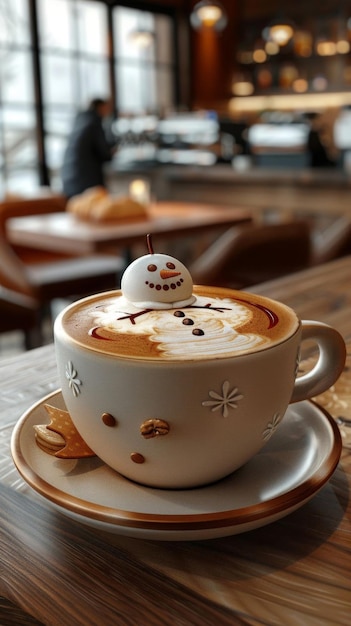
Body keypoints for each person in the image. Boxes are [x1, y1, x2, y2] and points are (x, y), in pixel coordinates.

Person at [61, 98, 116, 198]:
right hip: (86, 182)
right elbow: (104, 153)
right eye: (107, 108)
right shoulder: (94, 123)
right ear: (101, 107)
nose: (109, 112)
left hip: (70, 181)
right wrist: (113, 151)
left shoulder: (80, 121)